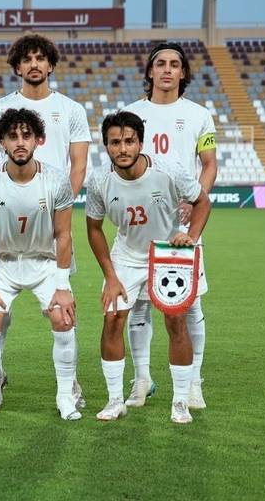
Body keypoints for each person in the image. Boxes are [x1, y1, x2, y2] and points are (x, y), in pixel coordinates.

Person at [0, 34, 89, 407]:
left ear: (51, 64)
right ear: (17, 66)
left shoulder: (71, 110)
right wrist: (0, 201)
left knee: (62, 307)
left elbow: (78, 166)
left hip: (49, 225)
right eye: (27, 59)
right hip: (6, 221)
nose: (34, 64)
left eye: (41, 58)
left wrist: (57, 205)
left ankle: (69, 386)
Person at [85, 111, 211, 424]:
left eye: (129, 141)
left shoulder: (167, 170)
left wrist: (191, 236)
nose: (122, 148)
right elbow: (94, 229)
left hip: (169, 252)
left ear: (140, 143)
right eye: (115, 142)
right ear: (106, 146)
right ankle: (115, 401)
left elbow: (202, 201)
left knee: (176, 322)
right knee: (112, 319)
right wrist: (110, 276)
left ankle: (180, 402)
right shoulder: (99, 180)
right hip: (127, 255)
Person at [123, 42, 217, 410]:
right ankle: (141, 380)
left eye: (174, 64)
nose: (167, 69)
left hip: (182, 225)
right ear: (149, 72)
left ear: (182, 73)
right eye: (160, 63)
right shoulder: (131, 113)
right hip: (140, 222)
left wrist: (195, 201)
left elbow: (208, 164)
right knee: (138, 305)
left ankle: (193, 381)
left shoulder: (198, 115)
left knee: (189, 304)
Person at [0, 108, 80, 420]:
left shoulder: (56, 180)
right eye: (12, 136)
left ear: (38, 140)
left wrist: (62, 285)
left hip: (44, 263)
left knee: (63, 318)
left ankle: (66, 397)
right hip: (5, 263)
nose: (20, 142)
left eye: (26, 135)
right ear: (1, 143)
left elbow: (63, 234)